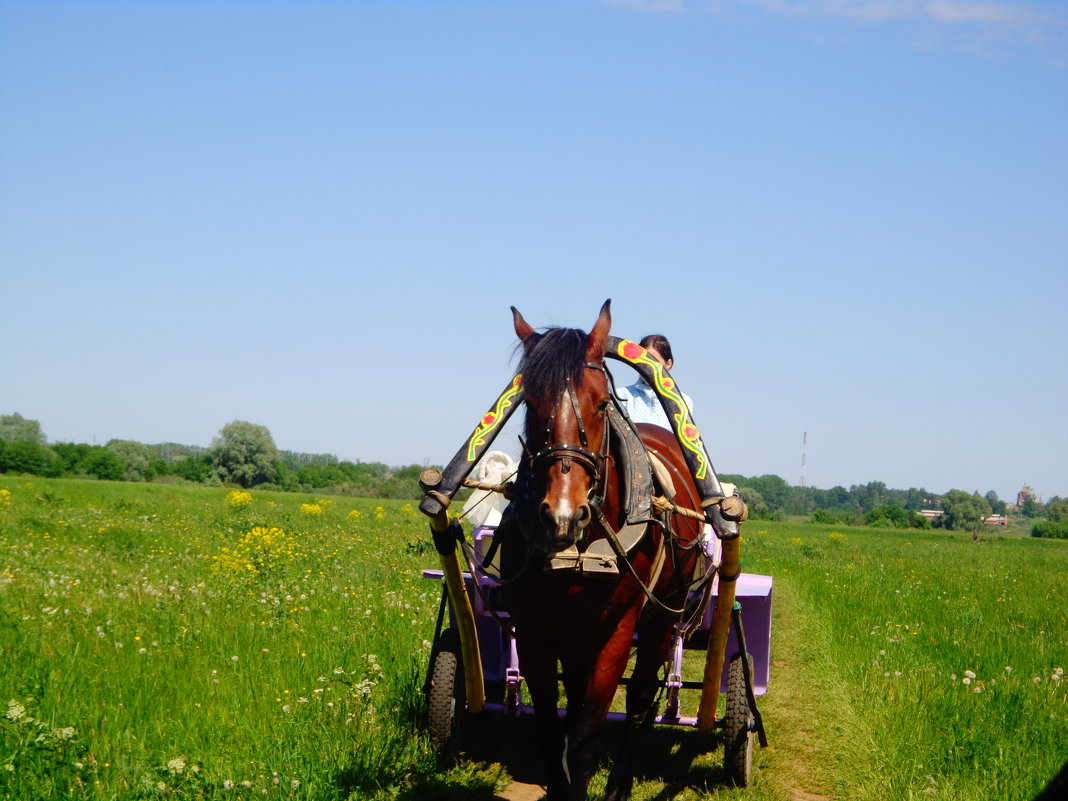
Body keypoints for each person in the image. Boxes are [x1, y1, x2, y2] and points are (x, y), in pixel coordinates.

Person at [616, 333, 694, 430]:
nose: (646, 367)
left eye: (653, 361)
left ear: (668, 364)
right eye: (642, 360)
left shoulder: (682, 402)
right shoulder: (620, 396)